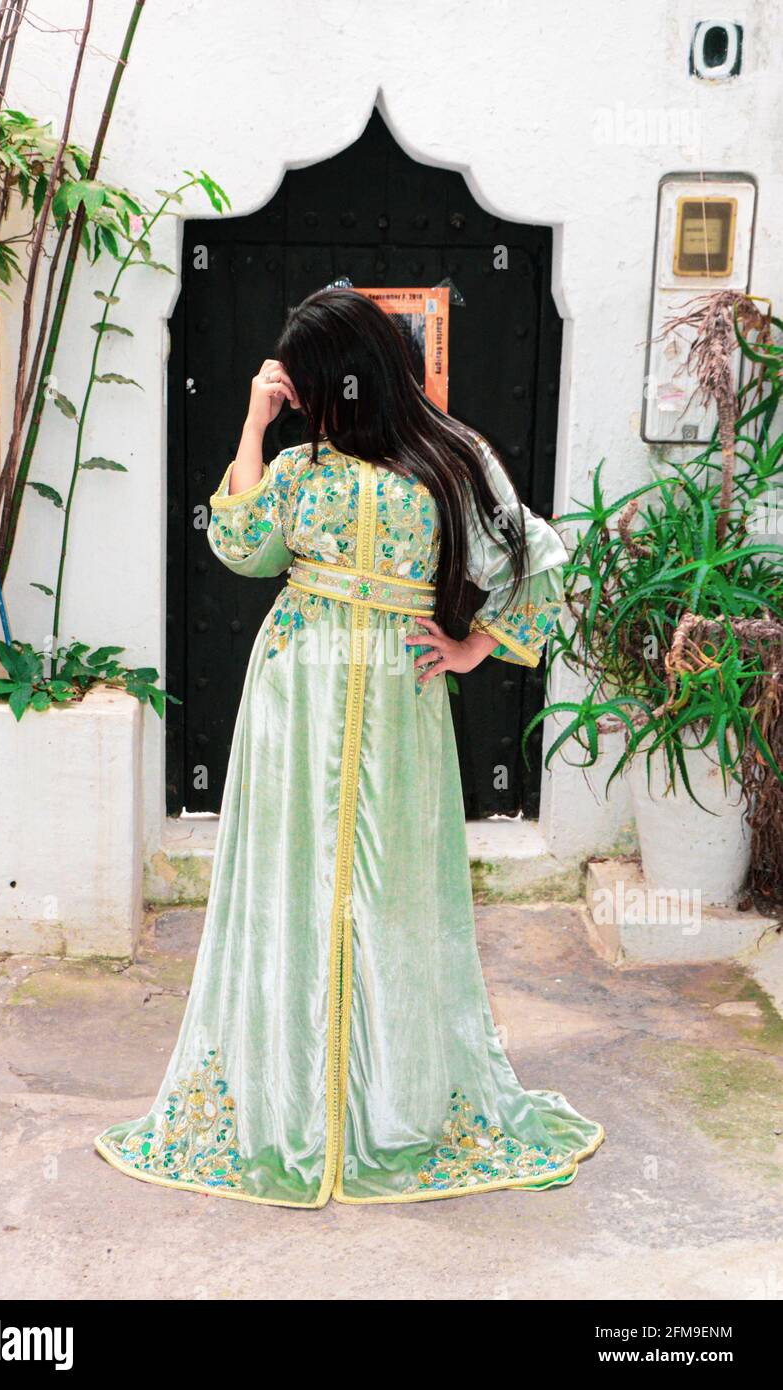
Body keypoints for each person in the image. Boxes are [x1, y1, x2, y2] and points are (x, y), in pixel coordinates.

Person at [95, 288, 603, 1206]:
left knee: (391, 895)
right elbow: (242, 545)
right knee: (296, 889)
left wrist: (472, 645)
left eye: (302, 384)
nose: (298, 400)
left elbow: (537, 554)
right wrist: (254, 426)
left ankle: (386, 1098)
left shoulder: (440, 459)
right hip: (302, 703)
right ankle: (292, 1091)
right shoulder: (348, 466)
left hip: (378, 705)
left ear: (337, 380)